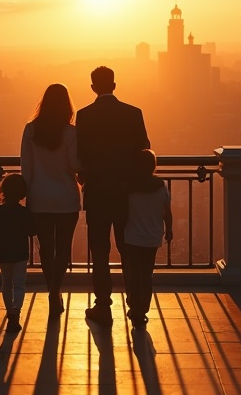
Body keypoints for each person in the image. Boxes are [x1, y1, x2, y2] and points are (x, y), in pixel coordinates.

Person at [76, 66, 150, 327]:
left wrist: (85, 175)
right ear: (114, 85)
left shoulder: (84, 116)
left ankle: (103, 306)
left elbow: (80, 154)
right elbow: (144, 149)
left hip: (96, 192)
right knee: (128, 250)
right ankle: (136, 307)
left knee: (99, 251)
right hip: (125, 192)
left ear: (93, 87)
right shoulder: (133, 113)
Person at [21, 83, 81, 318]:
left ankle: (51, 290)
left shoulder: (30, 130)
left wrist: (26, 198)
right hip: (66, 198)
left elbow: (26, 168)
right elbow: (75, 165)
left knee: (46, 248)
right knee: (63, 248)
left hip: (39, 198)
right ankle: (56, 289)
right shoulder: (70, 133)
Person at [124, 149, 173, 330]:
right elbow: (167, 212)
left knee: (133, 275)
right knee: (146, 274)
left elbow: (124, 213)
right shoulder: (160, 187)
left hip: (132, 237)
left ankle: (135, 307)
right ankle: (142, 309)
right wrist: (169, 230)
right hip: (152, 237)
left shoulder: (129, 188)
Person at [0, 173, 35, 333]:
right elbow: (31, 231)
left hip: (4, 251)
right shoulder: (24, 213)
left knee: (6, 282)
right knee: (19, 284)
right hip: (20, 252)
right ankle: (16, 310)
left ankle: (10, 311)